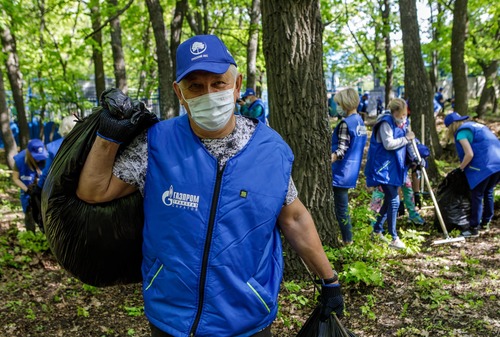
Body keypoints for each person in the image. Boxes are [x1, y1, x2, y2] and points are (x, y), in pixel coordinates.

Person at [76, 34, 344, 337]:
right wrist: (108, 136)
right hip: (172, 318)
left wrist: (329, 280)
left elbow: (294, 217)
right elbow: (94, 191)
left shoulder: (271, 150)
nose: (209, 94)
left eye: (218, 83)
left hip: (246, 319)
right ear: (179, 92)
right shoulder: (156, 144)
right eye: (196, 86)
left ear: (237, 85)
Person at [364, 98, 415, 249]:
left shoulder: (404, 123)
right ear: (393, 112)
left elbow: (409, 141)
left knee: (389, 199)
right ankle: (394, 237)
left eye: (405, 114)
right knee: (394, 200)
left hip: (396, 166)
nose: (403, 118)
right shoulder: (385, 123)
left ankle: (377, 230)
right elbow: (389, 144)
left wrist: (415, 157)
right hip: (383, 168)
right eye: (401, 115)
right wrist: (406, 139)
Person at [444, 112, 500, 237]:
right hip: (497, 162)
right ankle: (486, 222)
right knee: (488, 191)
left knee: (477, 194)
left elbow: (469, 154)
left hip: (484, 165)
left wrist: (460, 168)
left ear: (451, 126)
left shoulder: (461, 133)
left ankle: (473, 228)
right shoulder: (476, 126)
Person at [331, 88, 367, 244]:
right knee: (342, 207)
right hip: (351, 170)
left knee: (342, 209)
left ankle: (348, 241)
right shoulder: (360, 121)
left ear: (345, 103)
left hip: (340, 171)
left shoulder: (346, 123)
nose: (337, 106)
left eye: (338, 103)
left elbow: (341, 150)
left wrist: (326, 160)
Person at [12, 139, 48, 232]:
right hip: (27, 190)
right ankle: (30, 235)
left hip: (43, 190)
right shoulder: (20, 160)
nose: (39, 159)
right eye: (36, 156)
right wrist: (27, 190)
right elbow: (15, 178)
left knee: (45, 212)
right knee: (29, 213)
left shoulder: (47, 158)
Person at [38, 115, 77, 188]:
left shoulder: (52, 147)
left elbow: (47, 172)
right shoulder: (87, 145)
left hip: (59, 189)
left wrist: (38, 187)